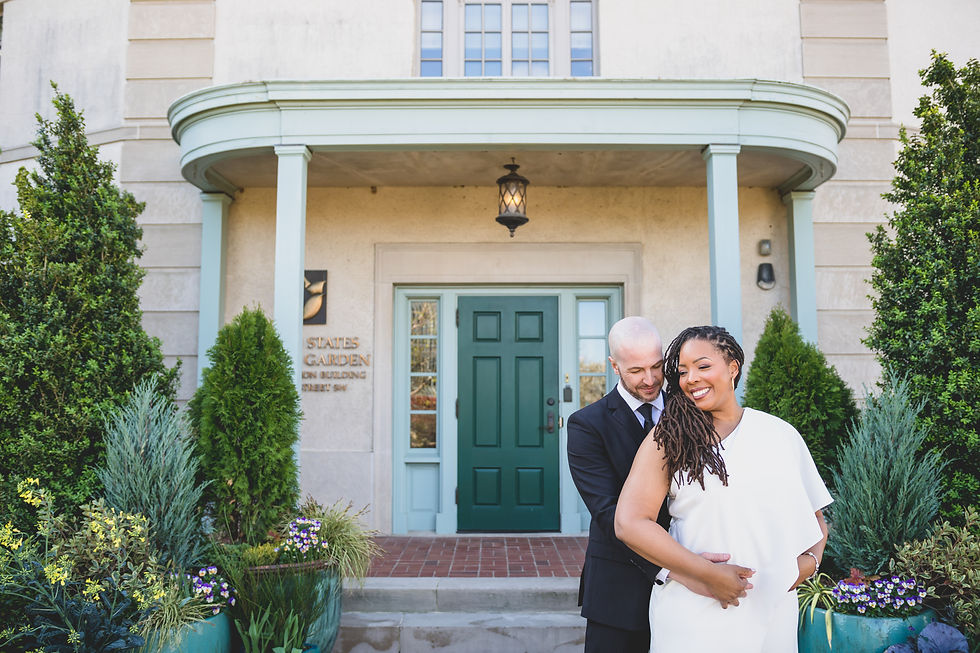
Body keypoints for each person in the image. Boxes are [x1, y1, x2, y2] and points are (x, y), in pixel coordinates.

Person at [615, 325, 832, 652]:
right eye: (683, 371)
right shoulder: (669, 438)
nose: (691, 379)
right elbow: (629, 523)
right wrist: (707, 575)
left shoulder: (780, 434)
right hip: (695, 611)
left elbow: (816, 522)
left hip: (771, 612)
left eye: (703, 366)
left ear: (733, 368)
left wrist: (806, 567)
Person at [567, 317, 754, 652]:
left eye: (657, 367)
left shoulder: (696, 408)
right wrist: (679, 569)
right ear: (614, 366)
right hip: (620, 590)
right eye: (637, 370)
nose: (651, 379)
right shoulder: (586, 425)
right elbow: (608, 513)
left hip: (700, 588)